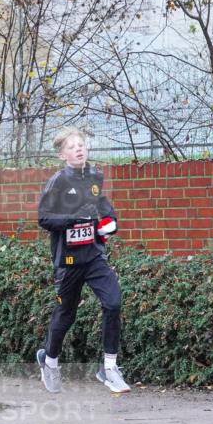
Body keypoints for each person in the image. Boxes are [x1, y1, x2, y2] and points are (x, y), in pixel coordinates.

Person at [36, 127, 129, 394]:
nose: (78, 149)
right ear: (62, 155)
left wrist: (110, 223)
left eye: (81, 144)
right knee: (66, 314)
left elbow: (104, 209)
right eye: (72, 146)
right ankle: (49, 361)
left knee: (113, 302)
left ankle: (109, 367)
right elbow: (44, 218)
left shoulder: (95, 176)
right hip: (68, 261)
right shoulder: (57, 182)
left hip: (94, 256)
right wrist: (73, 219)